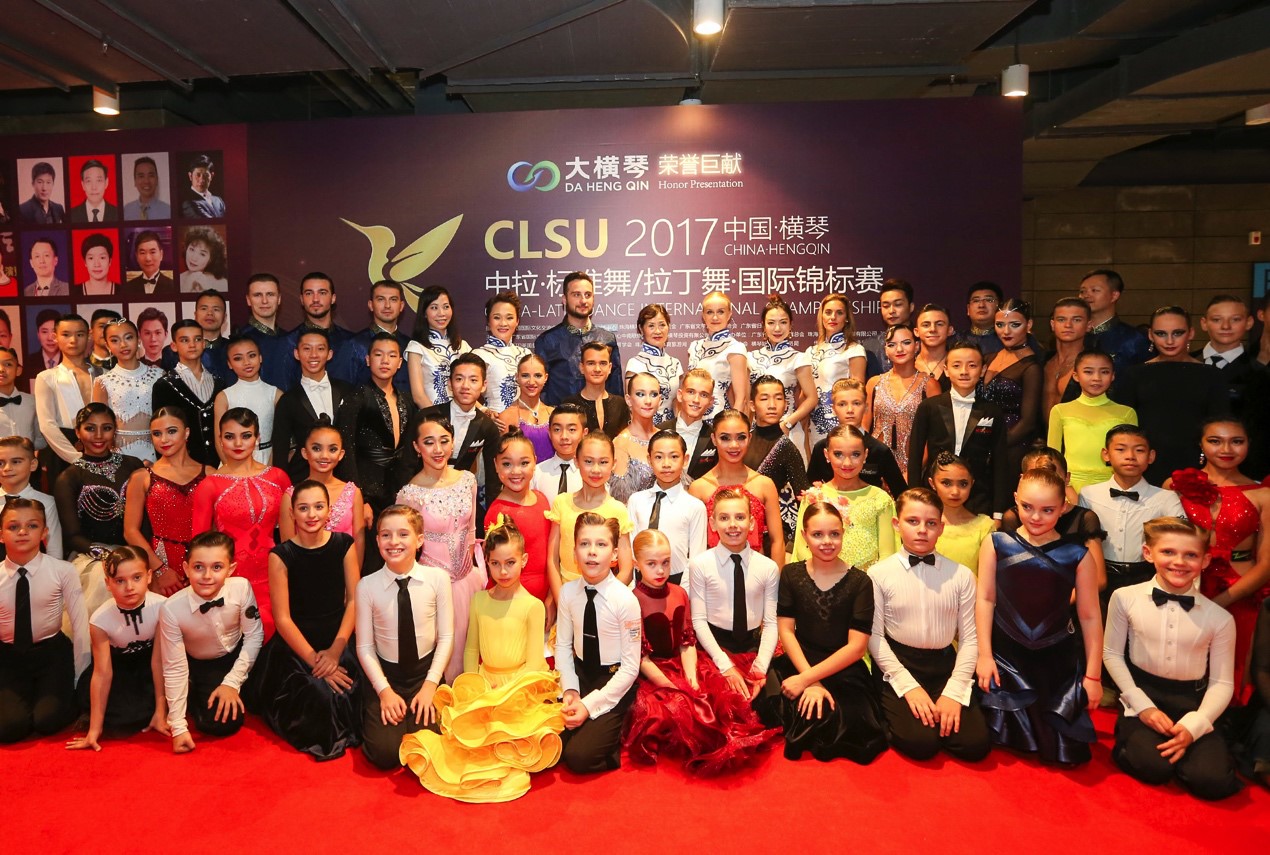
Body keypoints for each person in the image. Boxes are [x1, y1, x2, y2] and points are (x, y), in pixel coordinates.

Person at [399, 517, 564, 800]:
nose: (503, 571)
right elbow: (471, 650)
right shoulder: (479, 600)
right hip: (484, 684)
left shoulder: (533, 606)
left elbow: (534, 662)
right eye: (495, 563)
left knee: (511, 741)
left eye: (510, 562)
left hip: (518, 690)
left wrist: (508, 693)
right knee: (469, 738)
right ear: (486, 562)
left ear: (524, 560)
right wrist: (474, 688)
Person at [1102, 516, 1241, 800]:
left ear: (1205, 560)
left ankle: (1193, 754)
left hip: (1193, 703)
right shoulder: (1124, 597)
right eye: (1168, 552)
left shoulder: (1220, 618)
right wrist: (1142, 707)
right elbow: (1112, 654)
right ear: (1148, 553)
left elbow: (1222, 682)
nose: (1179, 562)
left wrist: (1195, 724)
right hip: (1143, 695)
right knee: (1153, 767)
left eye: (1191, 555)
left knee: (1211, 781)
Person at [623, 528, 779, 774]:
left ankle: (727, 743)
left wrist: (692, 679)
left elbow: (687, 642)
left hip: (686, 664)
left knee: (714, 701)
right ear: (636, 563)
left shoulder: (679, 593)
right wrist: (671, 686)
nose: (660, 570)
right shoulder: (631, 600)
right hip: (653, 672)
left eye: (665, 562)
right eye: (651, 564)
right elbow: (640, 657)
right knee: (673, 710)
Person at [975, 468, 1104, 766]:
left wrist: (1093, 676)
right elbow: (985, 598)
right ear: (1015, 500)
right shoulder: (996, 543)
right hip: (1005, 658)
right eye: (1027, 507)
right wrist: (985, 655)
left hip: (1056, 661)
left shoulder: (1078, 555)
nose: (1035, 517)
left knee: (1067, 755)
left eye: (1047, 510)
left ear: (1064, 507)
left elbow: (1090, 617)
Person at [751, 498, 886, 763]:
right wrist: (809, 680)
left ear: (843, 533)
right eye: (817, 534)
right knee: (776, 703)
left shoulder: (861, 582)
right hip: (799, 660)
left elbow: (856, 647)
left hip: (843, 666)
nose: (827, 541)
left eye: (834, 534)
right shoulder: (791, 574)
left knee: (845, 719)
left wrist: (807, 680)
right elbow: (786, 631)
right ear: (804, 536)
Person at [869, 488, 990, 761]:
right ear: (897, 524)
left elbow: (970, 639)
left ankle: (937, 709)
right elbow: (875, 637)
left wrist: (954, 691)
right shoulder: (878, 574)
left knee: (975, 745)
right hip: (898, 664)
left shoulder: (961, 575)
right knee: (921, 744)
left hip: (944, 665)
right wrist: (908, 687)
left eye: (931, 523)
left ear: (941, 528)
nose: (922, 530)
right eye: (912, 521)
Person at [254, 481, 362, 761]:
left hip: (338, 638)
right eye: (303, 508)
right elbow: (282, 619)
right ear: (292, 513)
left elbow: (354, 601)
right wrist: (316, 661)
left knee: (350, 691)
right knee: (320, 696)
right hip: (297, 645)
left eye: (318, 507)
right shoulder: (281, 555)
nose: (311, 514)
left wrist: (335, 652)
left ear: (329, 511)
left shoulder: (344, 545)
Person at [1167, 416, 1270, 705]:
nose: (1226, 449)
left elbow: (1266, 563)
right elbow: (1163, 543)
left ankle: (1228, 725)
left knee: (1231, 671)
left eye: (1236, 441)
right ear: (1200, 445)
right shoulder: (1175, 486)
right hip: (1182, 587)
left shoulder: (1263, 494)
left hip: (1240, 592)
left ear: (1248, 445)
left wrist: (1220, 601)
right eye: (1215, 441)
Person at [1078, 425, 1186, 670]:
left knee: (1141, 641)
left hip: (1145, 577)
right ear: (1106, 454)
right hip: (1101, 577)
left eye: (1139, 450)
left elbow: (1181, 538)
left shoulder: (1165, 498)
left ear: (1151, 456)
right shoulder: (1089, 494)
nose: (1130, 456)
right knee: (1099, 639)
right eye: (1121, 449)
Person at [354, 505, 453, 771]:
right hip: (387, 677)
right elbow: (365, 647)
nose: (394, 541)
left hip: (425, 675)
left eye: (403, 534)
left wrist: (431, 685)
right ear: (377, 541)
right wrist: (384, 691)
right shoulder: (367, 586)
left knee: (429, 747)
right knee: (385, 754)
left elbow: (446, 637)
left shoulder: (438, 579)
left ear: (420, 540)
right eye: (386, 535)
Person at [395, 412, 483, 683]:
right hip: (432, 587)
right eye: (429, 442)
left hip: (469, 582)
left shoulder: (467, 480)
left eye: (444, 441)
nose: (438, 449)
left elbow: (472, 531)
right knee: (440, 659)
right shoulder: (409, 494)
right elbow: (405, 550)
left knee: (474, 654)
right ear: (416, 447)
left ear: (453, 442)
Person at [159, 531, 264, 752]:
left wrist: (231, 682)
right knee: (220, 723)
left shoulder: (241, 587)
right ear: (186, 568)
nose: (207, 575)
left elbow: (254, 636)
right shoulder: (171, 609)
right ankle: (194, 692)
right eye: (198, 567)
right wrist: (178, 727)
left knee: (269, 700)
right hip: (202, 664)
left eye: (217, 567)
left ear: (231, 569)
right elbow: (174, 667)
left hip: (239, 652)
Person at [191, 408, 291, 638]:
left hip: (274, 572)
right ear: (219, 440)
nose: (238, 443)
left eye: (246, 436)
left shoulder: (278, 478)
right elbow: (199, 544)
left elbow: (291, 536)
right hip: (229, 578)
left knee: (276, 639)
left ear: (257, 438)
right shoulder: (209, 485)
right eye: (230, 436)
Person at [555, 512, 641, 773]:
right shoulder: (568, 592)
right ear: (574, 552)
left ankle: (615, 741)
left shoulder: (625, 600)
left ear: (614, 555)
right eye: (584, 544)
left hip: (613, 681)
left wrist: (588, 705)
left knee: (578, 757)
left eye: (601, 544)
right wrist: (570, 690)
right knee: (548, 743)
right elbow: (563, 646)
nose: (592, 552)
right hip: (581, 675)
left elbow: (630, 668)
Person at [0, 498, 88, 743]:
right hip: (8, 657)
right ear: (1, 535)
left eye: (32, 525)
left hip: (51, 654)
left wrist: (80, 681)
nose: (22, 532)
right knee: (10, 728)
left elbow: (80, 626)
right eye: (13, 526)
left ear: (44, 533)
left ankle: (48, 697)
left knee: (48, 721)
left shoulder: (63, 571)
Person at [64, 546, 167, 751]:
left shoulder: (163, 607)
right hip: (118, 667)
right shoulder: (100, 620)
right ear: (108, 583)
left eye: (136, 578)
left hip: (152, 667)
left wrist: (161, 711)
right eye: (120, 581)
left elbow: (159, 663)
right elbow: (102, 673)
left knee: (152, 706)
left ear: (148, 576)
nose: (129, 587)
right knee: (121, 721)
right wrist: (94, 730)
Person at [1118, 306, 1230, 484]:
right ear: (1150, 335)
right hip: (1144, 466)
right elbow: (1124, 428)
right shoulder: (1133, 375)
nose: (1169, 341)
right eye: (1161, 333)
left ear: (1191, 333)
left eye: (1177, 333)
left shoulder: (1212, 376)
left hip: (1197, 466)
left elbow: (1219, 426)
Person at [54, 404, 145, 618]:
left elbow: (147, 518)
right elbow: (72, 536)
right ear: (78, 432)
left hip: (137, 550)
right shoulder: (69, 478)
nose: (98, 435)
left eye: (106, 428)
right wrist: (110, 557)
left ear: (115, 430)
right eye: (90, 428)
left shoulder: (133, 465)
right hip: (95, 560)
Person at [908, 340, 1010, 518]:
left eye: (972, 365)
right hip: (933, 495)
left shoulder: (992, 411)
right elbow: (915, 456)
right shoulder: (929, 407)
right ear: (946, 370)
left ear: (983, 370)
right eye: (956, 365)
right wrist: (914, 500)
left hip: (978, 498)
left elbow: (1000, 462)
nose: (964, 371)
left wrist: (998, 512)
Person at [122, 407, 209, 597]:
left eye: (171, 431)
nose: (164, 439)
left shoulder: (210, 474)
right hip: (162, 565)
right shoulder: (142, 477)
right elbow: (130, 531)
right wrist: (160, 569)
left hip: (204, 564)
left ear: (186, 432)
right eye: (156, 434)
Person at [335, 333, 415, 532]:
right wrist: (359, 500)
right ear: (368, 360)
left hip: (400, 491)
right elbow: (346, 451)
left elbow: (410, 451)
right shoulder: (356, 398)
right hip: (368, 493)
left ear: (400, 362)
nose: (385, 361)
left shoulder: (407, 400)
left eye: (392, 355)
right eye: (378, 355)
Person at [546, 432, 634, 605]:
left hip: (603, 601)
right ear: (576, 461)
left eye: (603, 462)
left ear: (613, 464)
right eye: (588, 461)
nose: (595, 469)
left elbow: (626, 569)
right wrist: (560, 601)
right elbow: (552, 560)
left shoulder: (618, 510)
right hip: (566, 596)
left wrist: (602, 600)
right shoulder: (562, 503)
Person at [688, 409, 786, 564]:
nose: (734, 445)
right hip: (712, 573)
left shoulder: (764, 485)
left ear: (749, 438)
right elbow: (694, 545)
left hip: (757, 572)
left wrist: (776, 578)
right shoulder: (699, 488)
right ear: (714, 439)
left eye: (741, 437)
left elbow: (777, 541)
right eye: (725, 438)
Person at [794, 424, 896, 570]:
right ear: (826, 455)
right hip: (820, 579)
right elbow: (801, 549)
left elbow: (888, 555)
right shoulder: (813, 498)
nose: (847, 463)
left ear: (865, 455)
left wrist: (862, 581)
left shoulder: (880, 499)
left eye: (855, 454)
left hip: (869, 581)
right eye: (838, 454)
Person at [420, 353, 499, 522]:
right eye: (459, 379)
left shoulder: (487, 426)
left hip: (462, 498)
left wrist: (491, 519)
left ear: (484, 385)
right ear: (450, 383)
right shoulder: (427, 417)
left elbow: (492, 478)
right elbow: (408, 463)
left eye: (473, 380)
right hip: (425, 494)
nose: (465, 386)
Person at [1047, 349, 1137, 493]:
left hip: (1112, 486)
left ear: (1113, 376)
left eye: (1104, 372)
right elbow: (1052, 458)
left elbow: (1131, 457)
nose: (1097, 378)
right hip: (1070, 486)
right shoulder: (1060, 411)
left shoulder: (1126, 413)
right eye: (1088, 372)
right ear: (1076, 376)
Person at [628, 430, 708, 588]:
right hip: (640, 584)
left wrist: (683, 593)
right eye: (659, 457)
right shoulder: (636, 501)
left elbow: (697, 558)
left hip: (679, 584)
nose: (666, 464)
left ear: (685, 460)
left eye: (674, 456)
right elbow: (631, 549)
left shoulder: (695, 506)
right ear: (649, 460)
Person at [278, 422, 366, 566]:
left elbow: (359, 541)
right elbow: (287, 548)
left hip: (345, 573)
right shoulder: (291, 496)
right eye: (316, 448)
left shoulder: (353, 492)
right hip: (304, 572)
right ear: (304, 453)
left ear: (341, 454)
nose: (324, 455)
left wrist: (354, 576)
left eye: (332, 449)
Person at [272, 329, 352, 483]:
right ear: (297, 353)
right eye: (307, 349)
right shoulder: (288, 400)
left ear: (329, 354)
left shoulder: (347, 391)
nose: (313, 355)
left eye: (320, 349)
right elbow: (280, 451)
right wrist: (282, 487)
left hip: (344, 479)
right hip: (302, 479)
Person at [807, 378, 907, 496]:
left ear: (866, 407)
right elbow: (809, 489)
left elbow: (902, 494)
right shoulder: (821, 448)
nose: (850, 410)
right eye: (842, 404)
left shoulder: (880, 450)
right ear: (833, 409)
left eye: (856, 403)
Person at [534, 271, 622, 405]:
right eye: (576, 295)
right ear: (564, 299)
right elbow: (540, 391)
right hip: (561, 416)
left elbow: (616, 389)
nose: (583, 301)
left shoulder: (607, 339)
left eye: (588, 295)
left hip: (602, 416)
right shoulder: (547, 340)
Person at [483, 432, 551, 602]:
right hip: (511, 602)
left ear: (535, 462)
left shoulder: (542, 499)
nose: (516, 471)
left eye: (524, 463)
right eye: (507, 464)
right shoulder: (497, 513)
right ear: (496, 465)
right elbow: (499, 569)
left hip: (544, 597)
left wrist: (551, 596)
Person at [980, 298, 1043, 479]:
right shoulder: (989, 357)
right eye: (1000, 325)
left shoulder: (1031, 367)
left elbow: (1028, 422)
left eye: (1014, 325)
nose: (1006, 331)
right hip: (983, 438)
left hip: (1012, 446)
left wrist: (996, 445)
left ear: (1028, 325)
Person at [746, 295, 816, 458]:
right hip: (757, 430)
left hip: (787, 429)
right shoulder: (750, 357)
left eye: (783, 322)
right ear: (763, 326)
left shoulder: (799, 358)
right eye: (771, 323)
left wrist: (787, 423)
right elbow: (747, 400)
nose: (777, 328)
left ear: (791, 325)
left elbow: (812, 398)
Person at [865, 323, 941, 470]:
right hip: (875, 464)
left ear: (917, 346)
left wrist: (914, 470)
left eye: (906, 343)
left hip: (914, 467)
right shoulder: (874, 383)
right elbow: (864, 427)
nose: (899, 349)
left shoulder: (929, 385)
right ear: (885, 350)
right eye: (892, 345)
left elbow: (933, 435)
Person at [33, 314, 97, 488]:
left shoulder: (104, 374)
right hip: (63, 454)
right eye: (66, 334)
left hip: (102, 448)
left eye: (80, 334)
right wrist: (77, 459)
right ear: (55, 337)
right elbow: (47, 425)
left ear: (89, 336)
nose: (73, 340)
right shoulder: (47, 377)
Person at [746, 374, 811, 545]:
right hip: (733, 524)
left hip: (767, 534)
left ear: (786, 404)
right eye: (764, 399)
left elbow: (804, 498)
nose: (772, 405)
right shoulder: (741, 441)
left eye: (778, 398)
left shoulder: (787, 448)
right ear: (752, 405)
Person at [91, 317, 164, 462]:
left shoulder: (158, 375)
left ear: (138, 339)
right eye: (115, 340)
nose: (123, 345)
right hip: (119, 455)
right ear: (107, 345)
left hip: (156, 452)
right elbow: (100, 424)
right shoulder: (103, 381)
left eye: (128, 337)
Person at [151, 319, 222, 467]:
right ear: (174, 346)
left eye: (197, 339)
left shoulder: (219, 383)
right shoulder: (164, 385)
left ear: (204, 343)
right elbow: (160, 431)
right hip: (181, 468)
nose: (192, 345)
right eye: (185, 340)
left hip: (218, 466)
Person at [806, 292, 867, 451]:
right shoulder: (810, 352)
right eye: (828, 312)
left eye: (839, 313)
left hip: (841, 422)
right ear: (821, 316)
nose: (833, 317)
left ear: (846, 318)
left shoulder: (854, 350)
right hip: (813, 423)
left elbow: (858, 394)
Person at [214, 337, 283, 465]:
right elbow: (219, 440)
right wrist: (232, 469)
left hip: (268, 460)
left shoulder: (275, 394)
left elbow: (281, 437)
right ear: (229, 364)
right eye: (238, 358)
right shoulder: (224, 397)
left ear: (260, 358)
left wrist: (270, 467)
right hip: (232, 462)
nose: (246, 362)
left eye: (252, 355)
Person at [331, 279, 410, 391]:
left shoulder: (410, 345)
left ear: (401, 306)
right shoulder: (354, 345)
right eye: (381, 299)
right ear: (371, 305)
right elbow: (339, 390)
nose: (387, 305)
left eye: (393, 300)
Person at [282, 273, 352, 389]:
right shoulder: (288, 343)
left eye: (322, 293)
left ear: (333, 298)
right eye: (309, 293)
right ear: (302, 299)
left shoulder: (351, 343)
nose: (315, 299)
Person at [405, 285, 470, 408]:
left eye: (446, 307)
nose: (441, 313)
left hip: (463, 414)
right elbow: (418, 396)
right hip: (432, 415)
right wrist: (437, 418)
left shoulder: (463, 346)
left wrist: (482, 408)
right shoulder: (416, 347)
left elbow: (470, 389)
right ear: (424, 313)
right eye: (434, 308)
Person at [928, 451, 993, 574]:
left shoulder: (984, 527)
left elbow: (987, 578)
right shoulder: (921, 524)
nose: (955, 492)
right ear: (932, 483)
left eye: (963, 484)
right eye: (946, 483)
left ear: (972, 483)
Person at [1194, 294, 1260, 414]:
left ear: (1249, 322)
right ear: (1204, 323)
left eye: (1235, 319)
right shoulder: (1185, 362)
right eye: (1216, 320)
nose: (1226, 326)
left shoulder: (1259, 373)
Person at [688, 291, 749, 419]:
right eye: (710, 312)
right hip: (692, 417)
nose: (715, 317)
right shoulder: (694, 347)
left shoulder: (735, 348)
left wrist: (733, 426)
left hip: (718, 418)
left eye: (720, 312)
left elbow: (741, 399)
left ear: (729, 314)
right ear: (703, 315)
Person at [0, 436, 61, 559]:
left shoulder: (46, 502)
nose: (7, 468)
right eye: (0, 463)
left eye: (16, 462)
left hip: (37, 569)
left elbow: (54, 550)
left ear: (33, 464)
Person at [1079, 269, 1150, 371]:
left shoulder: (1134, 338)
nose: (1086, 295)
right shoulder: (1075, 335)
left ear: (1114, 295)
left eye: (1094, 290)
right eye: (1082, 291)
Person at [471, 290, 530, 410]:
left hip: (525, 419)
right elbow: (464, 391)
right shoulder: (480, 355)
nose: (503, 323)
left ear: (517, 321)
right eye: (497, 317)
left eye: (509, 318)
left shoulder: (526, 354)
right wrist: (484, 411)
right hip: (495, 420)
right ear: (489, 321)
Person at [625, 303, 683, 427]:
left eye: (662, 325)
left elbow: (676, 403)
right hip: (646, 430)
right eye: (651, 326)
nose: (657, 331)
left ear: (668, 327)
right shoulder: (635, 364)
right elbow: (631, 407)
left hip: (670, 431)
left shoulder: (675, 363)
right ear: (641, 329)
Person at [160, 289, 232, 384]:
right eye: (204, 308)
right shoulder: (172, 352)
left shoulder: (233, 349)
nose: (210, 313)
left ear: (225, 317)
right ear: (195, 314)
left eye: (216, 309)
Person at [235, 273, 293, 390]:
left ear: (279, 299)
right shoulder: (238, 342)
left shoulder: (291, 339)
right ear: (248, 300)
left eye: (270, 294)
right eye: (257, 295)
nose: (264, 301)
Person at [607, 372, 658, 503]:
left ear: (660, 400)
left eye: (653, 394)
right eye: (640, 394)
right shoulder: (620, 443)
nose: (648, 401)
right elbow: (620, 500)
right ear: (628, 400)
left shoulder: (666, 439)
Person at [497, 352, 555, 464]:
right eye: (525, 375)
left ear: (546, 378)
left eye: (538, 375)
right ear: (517, 377)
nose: (531, 382)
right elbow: (504, 460)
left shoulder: (553, 414)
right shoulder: (506, 416)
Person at [564, 342, 630, 437]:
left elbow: (625, 441)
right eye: (591, 363)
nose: (597, 369)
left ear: (609, 368)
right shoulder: (570, 405)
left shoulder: (620, 404)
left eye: (603, 363)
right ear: (582, 368)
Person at [665, 368, 718, 481]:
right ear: (680, 395)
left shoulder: (715, 438)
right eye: (691, 392)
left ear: (711, 401)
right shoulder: (659, 431)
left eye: (704, 395)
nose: (696, 400)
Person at [1043, 297, 1091, 421]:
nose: (1068, 325)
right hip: (1040, 433)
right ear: (1052, 325)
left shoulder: (1094, 365)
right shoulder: (1042, 361)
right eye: (1061, 319)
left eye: (1077, 320)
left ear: (1088, 325)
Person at [528, 401, 586, 503]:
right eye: (557, 430)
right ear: (549, 433)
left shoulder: (591, 473)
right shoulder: (536, 473)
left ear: (584, 433)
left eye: (572, 430)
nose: (564, 436)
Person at [0, 352, 44, 462]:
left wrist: (26, 450)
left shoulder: (33, 402)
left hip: (28, 465)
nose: (1, 369)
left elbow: (41, 439)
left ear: (18, 370)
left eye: (8, 364)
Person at [913, 303, 953, 392]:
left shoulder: (960, 364)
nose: (933, 329)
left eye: (939, 324)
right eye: (926, 325)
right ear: (916, 331)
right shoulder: (907, 364)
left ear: (950, 330)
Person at [178, 226, 228, 294]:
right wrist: (186, 286)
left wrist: (208, 289)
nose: (194, 258)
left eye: (202, 254)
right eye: (192, 249)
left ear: (211, 259)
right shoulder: (179, 278)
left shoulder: (222, 283)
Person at [125, 230, 176, 297]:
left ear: (161, 254)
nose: (148, 259)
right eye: (142, 253)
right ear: (136, 256)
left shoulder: (173, 286)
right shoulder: (128, 287)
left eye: (152, 252)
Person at [122, 156, 170, 221]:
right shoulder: (126, 211)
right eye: (141, 176)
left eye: (151, 176)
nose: (146, 181)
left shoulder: (168, 211)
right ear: (135, 181)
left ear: (157, 180)